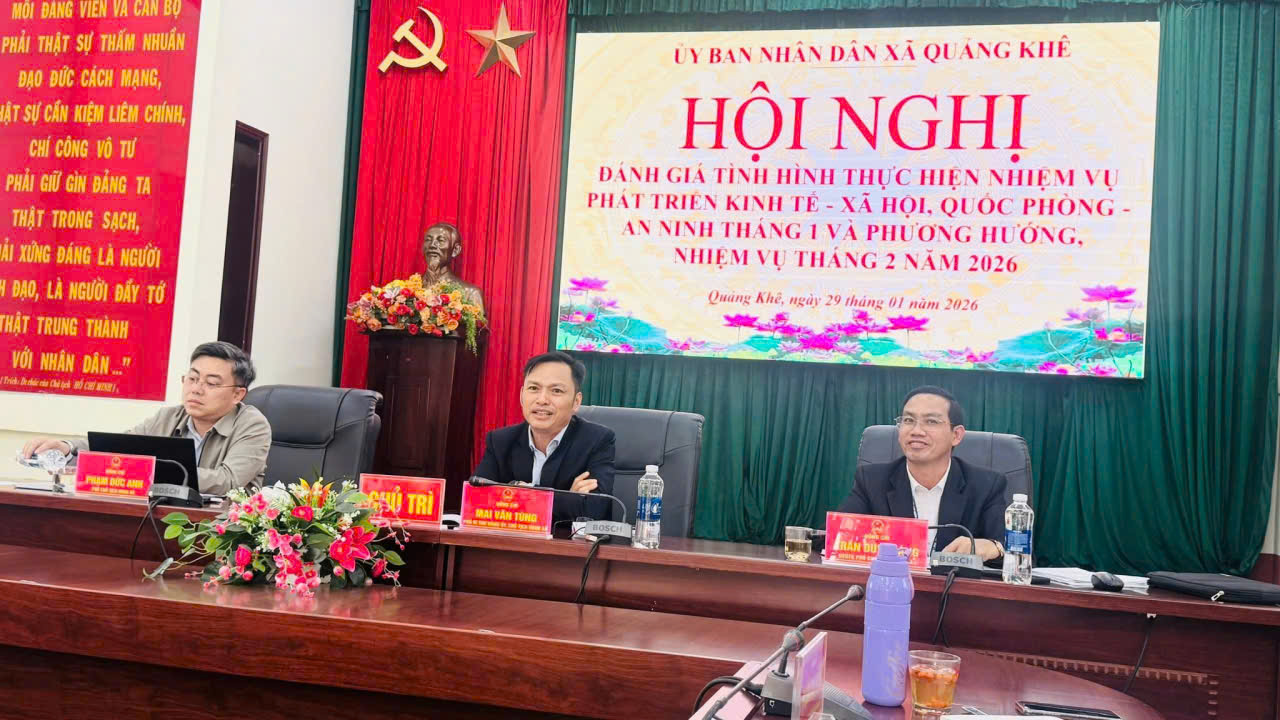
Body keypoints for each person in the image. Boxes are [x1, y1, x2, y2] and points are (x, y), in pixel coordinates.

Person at [20, 342, 271, 496]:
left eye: (211, 383)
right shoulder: (169, 417)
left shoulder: (252, 425)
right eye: (193, 379)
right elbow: (119, 448)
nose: (196, 389)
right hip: (162, 517)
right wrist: (67, 448)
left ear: (238, 394)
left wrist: (148, 470)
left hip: (221, 532)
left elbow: (228, 482)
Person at [837, 386, 1007, 562]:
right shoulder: (872, 481)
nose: (916, 431)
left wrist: (994, 547)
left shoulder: (986, 486)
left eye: (931, 421)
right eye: (908, 420)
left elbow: (1013, 550)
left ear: (956, 435)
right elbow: (834, 538)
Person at [472, 351, 615, 523]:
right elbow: (477, 500)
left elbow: (593, 509)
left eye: (556, 390)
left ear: (576, 402)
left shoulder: (597, 440)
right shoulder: (500, 441)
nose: (542, 400)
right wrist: (568, 497)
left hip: (565, 540)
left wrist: (523, 493)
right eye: (534, 388)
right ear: (522, 396)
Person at [421, 221, 486, 316]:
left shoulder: (470, 294)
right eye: (428, 240)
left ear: (455, 250)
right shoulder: (406, 290)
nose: (432, 245)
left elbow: (479, 324)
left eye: (441, 240)